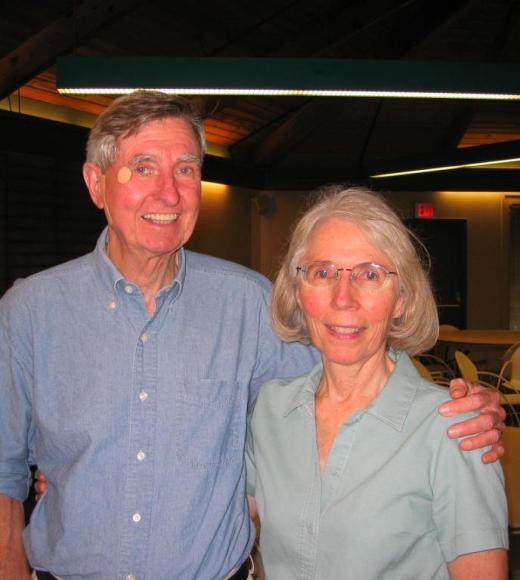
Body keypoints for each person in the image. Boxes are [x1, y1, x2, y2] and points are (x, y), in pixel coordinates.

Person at [0, 92, 505, 580]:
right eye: (144, 166)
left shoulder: (248, 303)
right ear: (96, 183)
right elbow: (4, 472)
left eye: (185, 170)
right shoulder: (29, 312)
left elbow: (351, 362)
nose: (168, 193)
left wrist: (464, 406)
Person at [246, 186, 509, 580]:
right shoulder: (271, 410)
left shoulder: (455, 429)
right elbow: (221, 524)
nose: (343, 298)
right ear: (298, 292)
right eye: (322, 272)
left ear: (402, 299)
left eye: (370, 275)